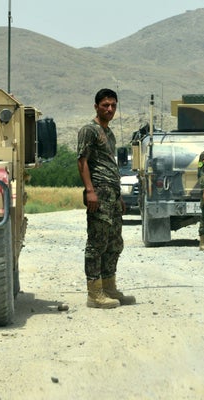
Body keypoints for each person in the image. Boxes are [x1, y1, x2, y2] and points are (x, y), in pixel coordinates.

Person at [77, 88, 136, 308]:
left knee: (114, 243)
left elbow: (109, 164)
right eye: (105, 105)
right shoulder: (89, 130)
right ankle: (94, 293)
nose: (109, 109)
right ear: (96, 107)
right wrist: (90, 190)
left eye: (113, 105)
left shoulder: (108, 133)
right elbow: (82, 161)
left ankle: (109, 287)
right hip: (99, 192)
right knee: (97, 243)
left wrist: (119, 196)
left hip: (112, 194)